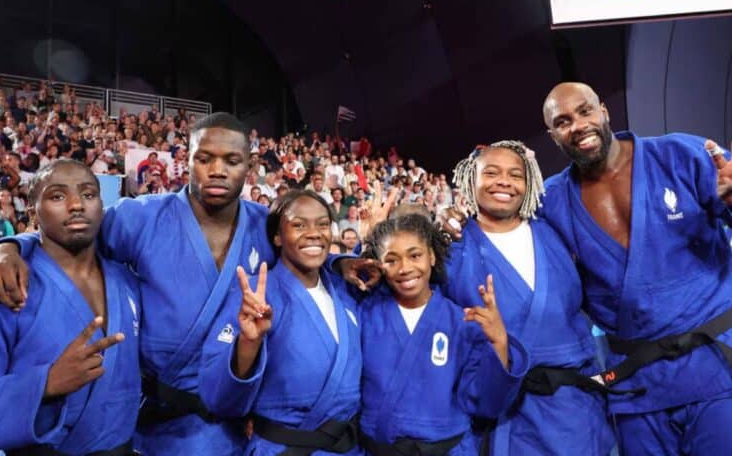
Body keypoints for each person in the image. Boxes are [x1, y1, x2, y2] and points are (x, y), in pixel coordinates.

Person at [0, 113, 378, 455]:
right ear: (187, 160)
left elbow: (304, 249)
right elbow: (70, 234)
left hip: (233, 419)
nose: (217, 170)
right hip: (155, 424)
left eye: (231, 160)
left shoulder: (264, 224)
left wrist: (340, 262)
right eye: (205, 158)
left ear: (249, 166)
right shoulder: (141, 217)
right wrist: (8, 247)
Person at [540, 82, 732, 454]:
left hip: (715, 370)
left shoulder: (681, 155)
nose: (577, 126)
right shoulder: (551, 202)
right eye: (562, 122)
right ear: (553, 136)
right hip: (636, 388)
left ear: (604, 111)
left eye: (585, 111)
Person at [446, 141, 614, 455]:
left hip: (577, 412)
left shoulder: (555, 231)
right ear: (471, 179)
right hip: (504, 416)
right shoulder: (449, 248)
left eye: (515, 175)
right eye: (491, 173)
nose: (504, 182)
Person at [0, 159, 141, 453]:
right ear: (32, 211)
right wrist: (44, 384)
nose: (77, 205)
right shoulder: (2, 286)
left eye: (88, 194)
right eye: (57, 196)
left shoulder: (127, 281)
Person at [200, 190, 363, 455]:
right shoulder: (254, 295)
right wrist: (248, 343)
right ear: (277, 236)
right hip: (282, 447)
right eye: (299, 225)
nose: (314, 233)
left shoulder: (345, 290)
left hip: (347, 448)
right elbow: (217, 397)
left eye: (323, 224)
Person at [359, 214, 528, 454]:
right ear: (379, 265)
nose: (405, 268)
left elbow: (486, 403)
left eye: (415, 255)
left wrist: (499, 341)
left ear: (432, 256)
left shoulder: (461, 321)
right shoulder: (365, 314)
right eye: (391, 260)